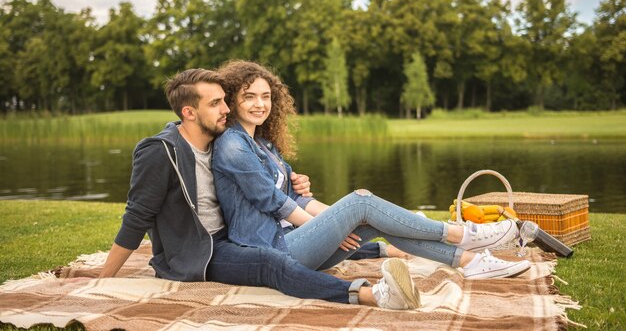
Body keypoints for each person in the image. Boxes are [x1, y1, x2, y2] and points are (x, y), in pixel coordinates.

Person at [98, 68, 420, 310]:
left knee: (295, 241)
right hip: (201, 253)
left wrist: (296, 182)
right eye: (216, 103)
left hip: (233, 235)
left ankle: (384, 248)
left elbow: (261, 184)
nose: (226, 109)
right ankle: (373, 295)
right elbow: (137, 216)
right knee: (271, 263)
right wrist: (103, 276)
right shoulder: (160, 151)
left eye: (225, 100)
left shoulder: (219, 142)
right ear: (189, 112)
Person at [212, 60, 531, 280]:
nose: (259, 104)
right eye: (249, 96)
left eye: (266, 96)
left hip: (298, 240)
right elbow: (275, 203)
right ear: (232, 100)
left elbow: (299, 198)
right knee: (361, 201)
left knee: (372, 214)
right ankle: (463, 234)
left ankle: (471, 261)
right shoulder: (233, 145)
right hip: (273, 250)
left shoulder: (265, 146)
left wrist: (332, 225)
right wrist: (331, 227)